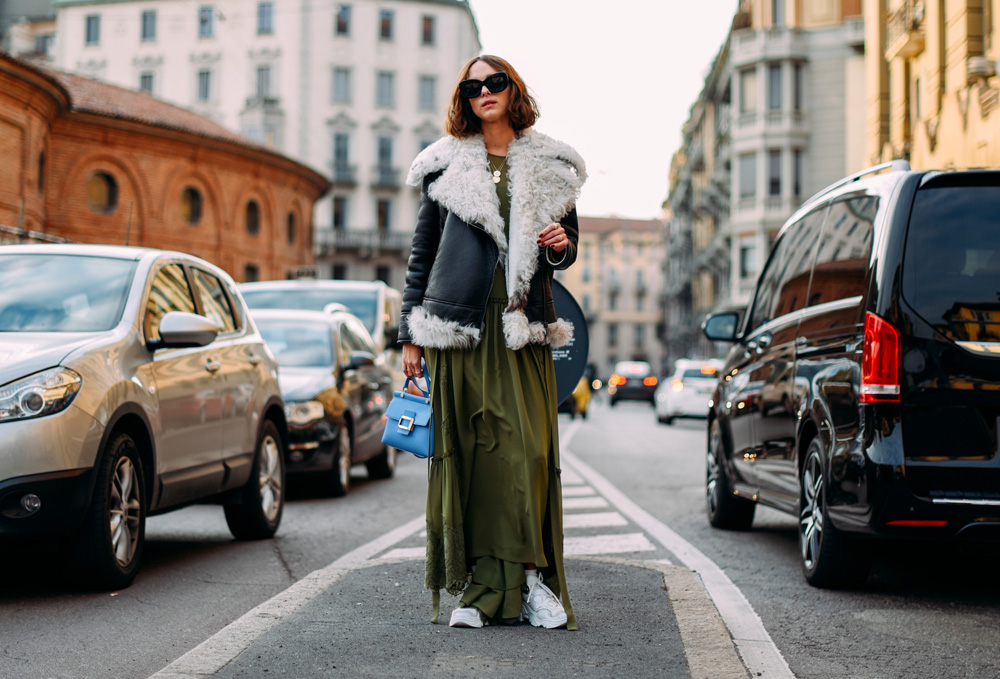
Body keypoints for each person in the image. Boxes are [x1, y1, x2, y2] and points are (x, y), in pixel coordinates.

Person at [398, 54, 586, 631]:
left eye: (494, 83)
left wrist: (558, 243)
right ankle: (481, 590)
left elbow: (567, 248)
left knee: (527, 457)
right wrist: (409, 332)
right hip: (461, 331)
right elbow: (422, 256)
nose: (484, 92)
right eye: (472, 86)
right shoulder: (443, 166)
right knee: (478, 460)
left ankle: (531, 584)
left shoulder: (550, 164)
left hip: (521, 328)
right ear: (464, 97)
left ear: (513, 90)